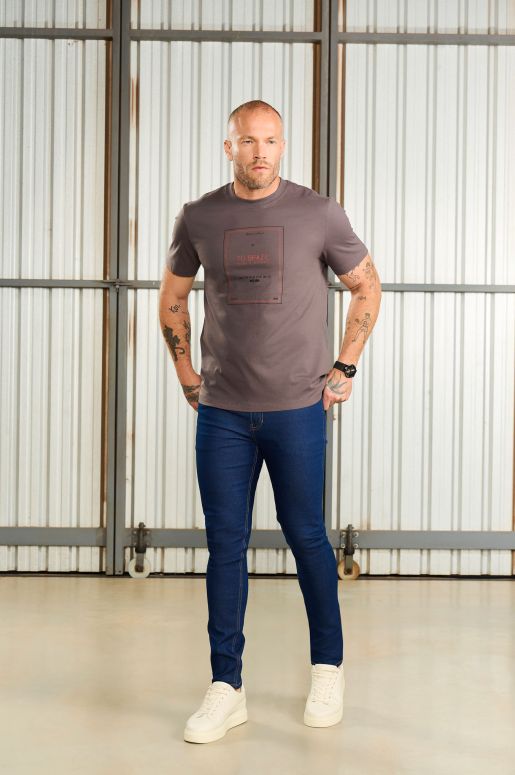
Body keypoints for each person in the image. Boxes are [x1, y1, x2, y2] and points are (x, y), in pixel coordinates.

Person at [159, 99, 382, 744]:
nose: (261, 152)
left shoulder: (319, 213)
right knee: (225, 546)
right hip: (223, 413)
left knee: (307, 536)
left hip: (297, 410)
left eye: (271, 140)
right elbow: (173, 299)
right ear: (228, 147)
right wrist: (187, 375)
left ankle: (327, 669)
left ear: (283, 146)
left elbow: (367, 285)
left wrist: (346, 364)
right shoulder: (199, 216)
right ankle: (226, 687)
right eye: (248, 141)